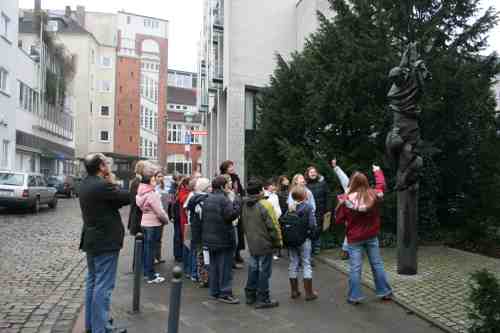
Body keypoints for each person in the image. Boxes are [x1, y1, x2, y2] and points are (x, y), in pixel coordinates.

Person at [79, 153, 129, 333]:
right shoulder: (101, 186)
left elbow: (110, 203)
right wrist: (113, 182)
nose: (109, 165)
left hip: (92, 240)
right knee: (103, 286)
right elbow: (126, 197)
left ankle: (92, 325)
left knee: (93, 283)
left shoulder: (85, 183)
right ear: (101, 166)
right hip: (105, 242)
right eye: (107, 163)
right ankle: (101, 328)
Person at [335, 163, 393, 304]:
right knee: (377, 264)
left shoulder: (346, 200)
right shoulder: (374, 195)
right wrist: (377, 170)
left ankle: (354, 296)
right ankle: (384, 292)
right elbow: (382, 185)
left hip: (354, 239)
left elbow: (338, 219)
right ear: (366, 182)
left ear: (352, 183)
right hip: (371, 236)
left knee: (355, 267)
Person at [241, 179, 281, 309]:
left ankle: (250, 295)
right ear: (260, 190)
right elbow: (273, 226)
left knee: (253, 268)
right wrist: (278, 242)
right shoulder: (265, 204)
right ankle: (263, 298)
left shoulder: (245, 204)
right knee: (264, 271)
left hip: (252, 242)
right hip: (264, 243)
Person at [202, 175, 241, 304]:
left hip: (210, 238)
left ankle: (214, 291)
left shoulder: (208, 199)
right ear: (223, 186)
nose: (229, 186)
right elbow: (231, 215)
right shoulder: (223, 200)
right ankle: (225, 293)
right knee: (225, 267)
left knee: (214, 266)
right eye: (227, 184)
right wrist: (236, 203)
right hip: (223, 238)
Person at [136, 163, 170, 284]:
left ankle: (147, 273)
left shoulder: (141, 193)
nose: (156, 180)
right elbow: (160, 212)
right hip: (153, 224)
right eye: (154, 178)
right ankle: (151, 276)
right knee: (150, 251)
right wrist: (166, 220)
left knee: (146, 250)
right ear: (150, 180)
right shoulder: (152, 194)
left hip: (144, 222)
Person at [288, 185, 318, 301]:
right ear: (305, 196)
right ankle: (309, 293)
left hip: (291, 239)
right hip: (304, 239)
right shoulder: (308, 207)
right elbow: (312, 224)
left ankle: (294, 291)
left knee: (293, 262)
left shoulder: (291, 207)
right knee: (306, 263)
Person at [186, 177, 211, 287]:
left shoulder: (193, 198)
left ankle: (201, 277)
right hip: (205, 231)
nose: (211, 188)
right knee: (205, 255)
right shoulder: (206, 199)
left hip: (196, 230)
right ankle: (206, 277)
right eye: (209, 186)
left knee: (199, 254)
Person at [220, 160, 245, 264]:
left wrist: (239, 195)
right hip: (229, 205)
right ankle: (231, 257)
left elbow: (241, 190)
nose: (232, 168)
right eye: (230, 166)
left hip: (237, 203)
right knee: (231, 233)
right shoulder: (221, 178)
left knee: (239, 232)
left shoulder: (235, 177)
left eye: (232, 166)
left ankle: (237, 253)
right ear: (225, 168)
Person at [305, 166, 330, 255]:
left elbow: (327, 196)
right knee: (311, 229)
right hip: (309, 211)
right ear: (308, 174)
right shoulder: (305, 185)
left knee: (318, 229)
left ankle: (316, 248)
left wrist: (328, 209)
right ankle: (310, 248)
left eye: (314, 172)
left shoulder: (323, 184)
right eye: (311, 172)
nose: (313, 173)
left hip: (321, 210)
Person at [331, 159, 350, 260]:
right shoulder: (349, 188)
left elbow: (344, 179)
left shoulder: (350, 189)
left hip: (352, 219)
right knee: (350, 232)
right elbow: (343, 178)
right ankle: (345, 250)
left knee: (351, 233)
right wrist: (336, 167)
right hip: (350, 218)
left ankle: (346, 250)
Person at [176, 177, 192, 278]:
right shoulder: (183, 192)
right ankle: (186, 268)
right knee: (187, 245)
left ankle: (188, 267)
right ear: (186, 185)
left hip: (187, 223)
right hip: (185, 223)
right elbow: (182, 199)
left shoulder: (187, 191)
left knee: (189, 245)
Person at [263, 178, 282, 260]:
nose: (273, 187)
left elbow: (277, 207)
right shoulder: (264, 195)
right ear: (267, 186)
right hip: (266, 218)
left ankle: (274, 252)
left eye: (274, 185)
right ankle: (266, 252)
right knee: (266, 236)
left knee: (273, 235)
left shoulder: (275, 195)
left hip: (275, 217)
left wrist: (278, 215)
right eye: (272, 185)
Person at [154, 171, 169, 264]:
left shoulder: (164, 188)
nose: (161, 178)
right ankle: (154, 257)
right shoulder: (153, 187)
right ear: (155, 177)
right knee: (154, 237)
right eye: (159, 176)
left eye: (162, 176)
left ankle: (158, 256)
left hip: (163, 215)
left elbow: (166, 202)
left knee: (159, 237)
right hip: (155, 215)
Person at [128, 160, 145, 236]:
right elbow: (136, 202)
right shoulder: (137, 182)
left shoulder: (138, 181)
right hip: (138, 218)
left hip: (139, 217)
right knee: (139, 244)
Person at [170, 175, 183, 262]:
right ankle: (178, 255)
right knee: (178, 236)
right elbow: (171, 205)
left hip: (178, 216)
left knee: (179, 236)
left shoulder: (176, 190)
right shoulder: (174, 191)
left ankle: (179, 254)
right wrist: (171, 216)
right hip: (177, 217)